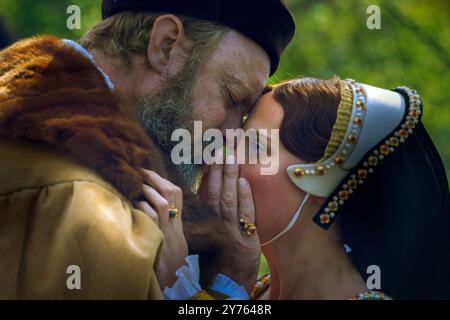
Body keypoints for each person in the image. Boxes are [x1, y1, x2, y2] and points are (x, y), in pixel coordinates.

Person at [0, 0, 295, 299]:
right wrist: (221, 285)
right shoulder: (83, 198)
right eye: (232, 97)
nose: (232, 135)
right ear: (166, 44)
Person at [234, 77, 450, 299]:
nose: (226, 160)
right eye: (235, 142)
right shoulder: (248, 289)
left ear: (322, 181)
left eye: (254, 146)